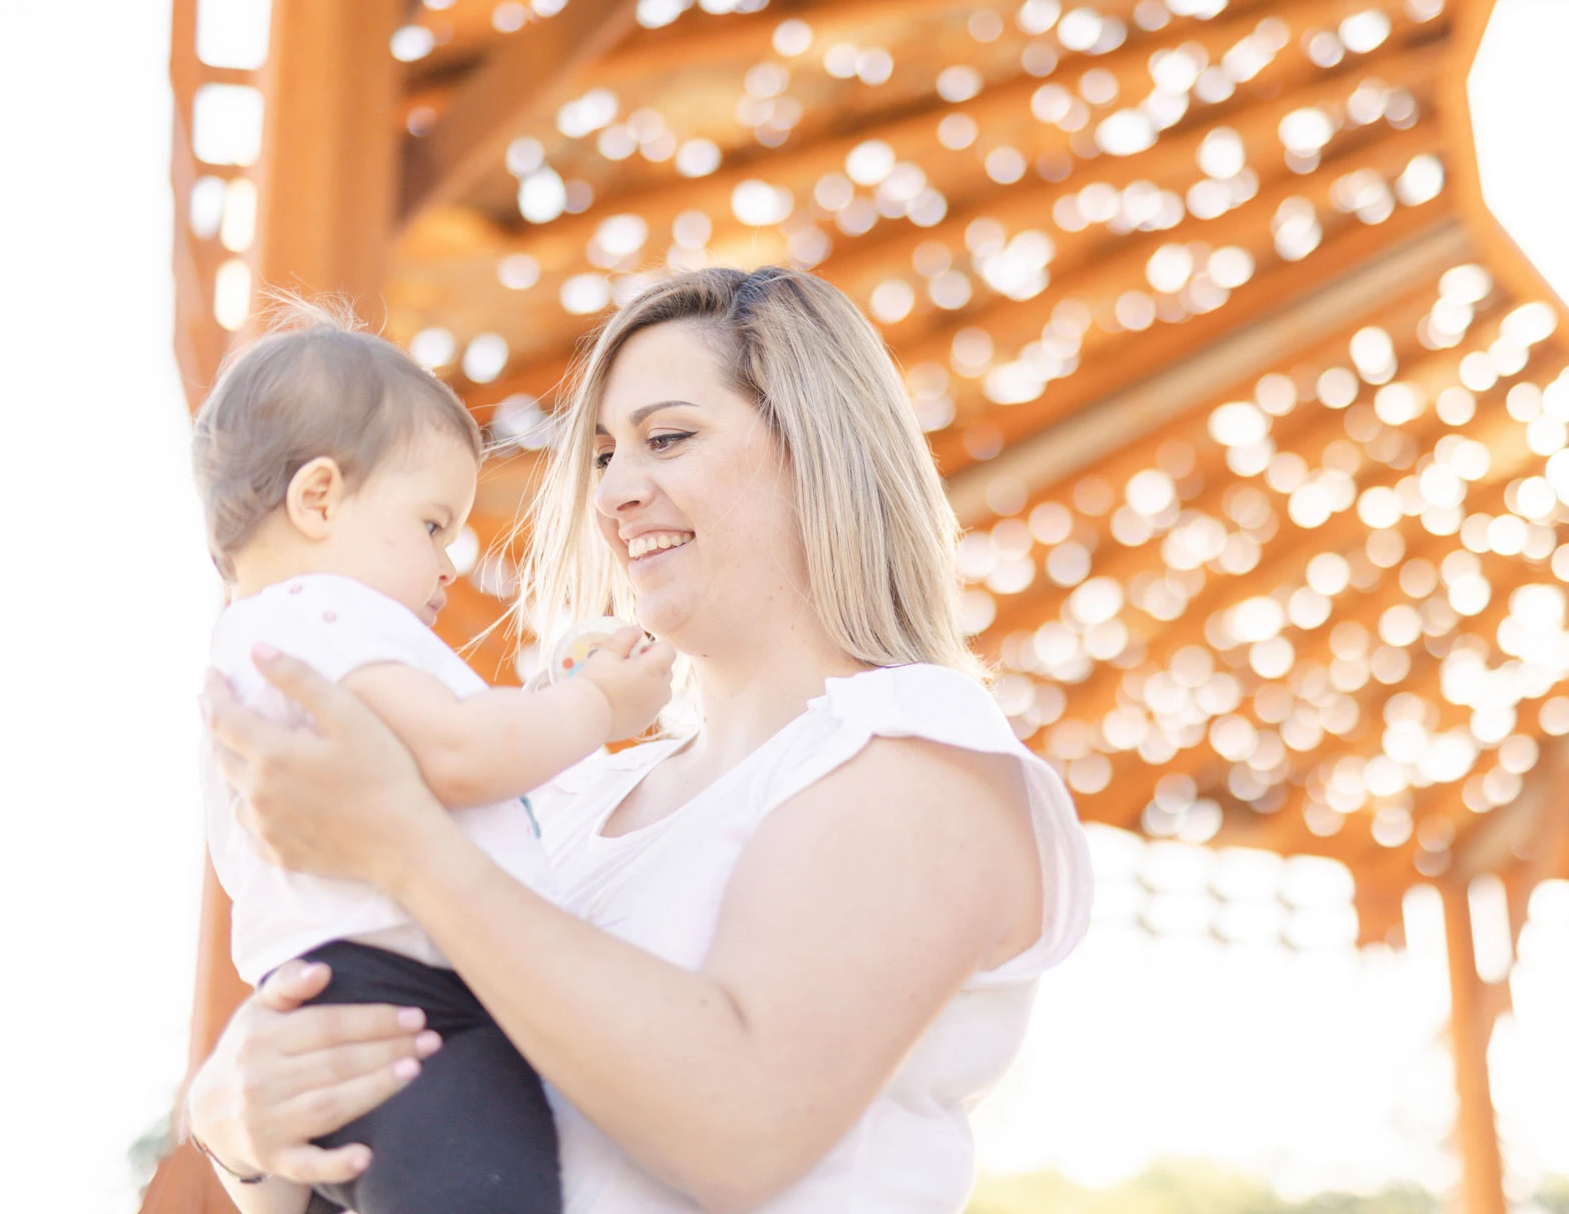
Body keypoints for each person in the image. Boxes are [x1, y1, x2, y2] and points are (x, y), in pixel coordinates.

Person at [188, 266, 1094, 1214]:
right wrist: (240, 1128)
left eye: (667, 439)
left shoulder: (917, 754)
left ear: (818, 448)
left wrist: (406, 849)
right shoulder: (568, 807)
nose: (616, 491)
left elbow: (745, 1124)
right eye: (604, 455)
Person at [189, 300, 675, 1213]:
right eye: (430, 526)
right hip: (415, 1006)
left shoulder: (272, 637)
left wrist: (543, 706)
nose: (449, 566)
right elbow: (459, 756)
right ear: (320, 498)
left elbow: (448, 769)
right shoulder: (323, 614)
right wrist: (598, 703)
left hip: (349, 1002)